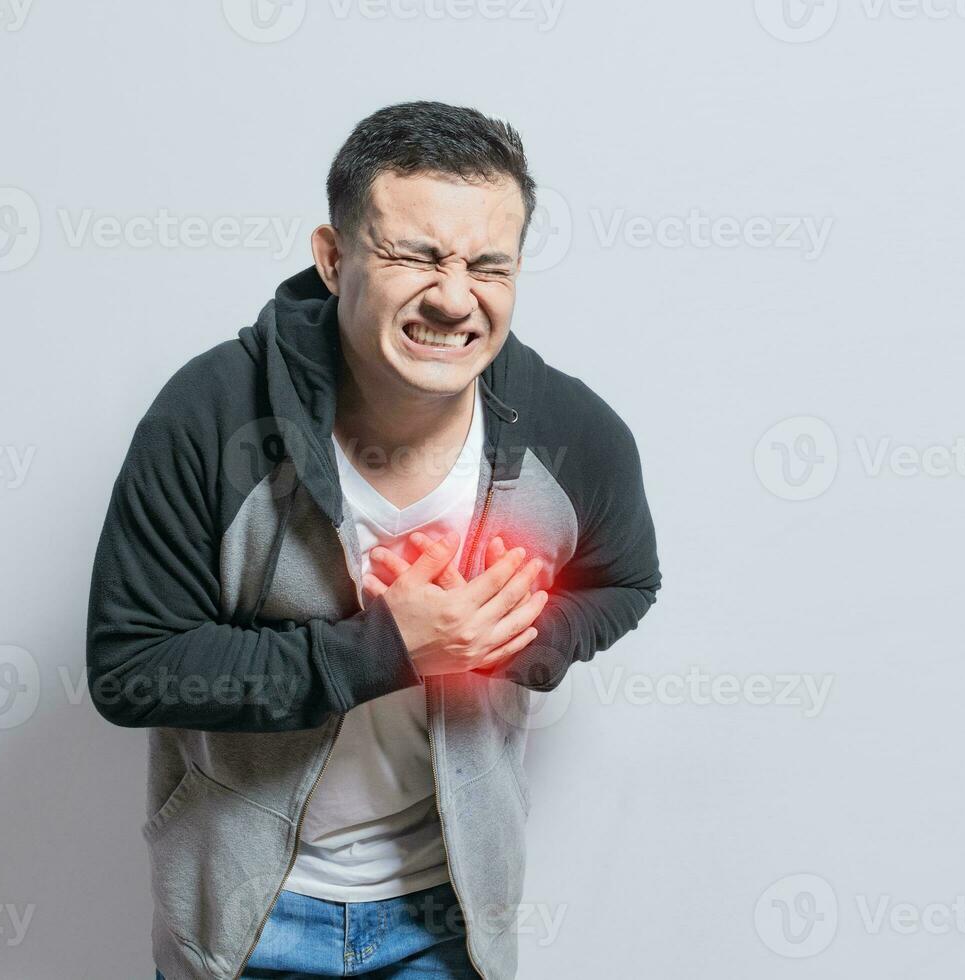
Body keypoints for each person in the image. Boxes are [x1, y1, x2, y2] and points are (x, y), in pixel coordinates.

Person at [85, 100, 661, 980]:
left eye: (488, 266)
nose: (454, 297)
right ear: (333, 256)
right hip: (245, 924)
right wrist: (389, 647)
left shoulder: (572, 430)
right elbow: (132, 666)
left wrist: (517, 640)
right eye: (416, 255)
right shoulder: (208, 415)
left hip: (447, 924)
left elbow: (625, 582)